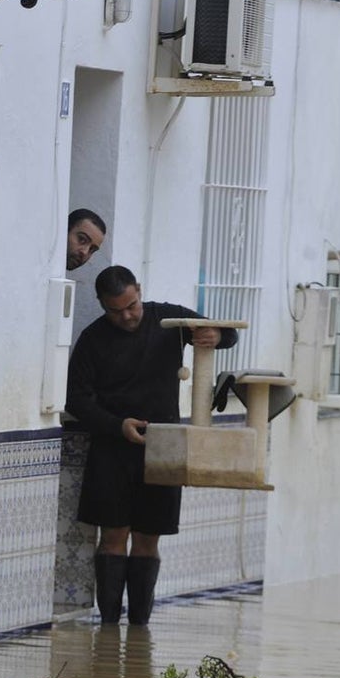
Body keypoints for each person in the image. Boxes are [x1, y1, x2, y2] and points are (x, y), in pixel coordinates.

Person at [65, 265, 238, 625]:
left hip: (164, 446)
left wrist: (214, 337)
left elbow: (228, 334)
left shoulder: (166, 319)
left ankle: (140, 629)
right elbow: (78, 401)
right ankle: (109, 629)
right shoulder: (92, 339)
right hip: (112, 448)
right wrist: (117, 426)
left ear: (139, 291)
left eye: (132, 305)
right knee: (113, 536)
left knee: (148, 539)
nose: (127, 316)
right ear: (102, 305)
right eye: (116, 310)